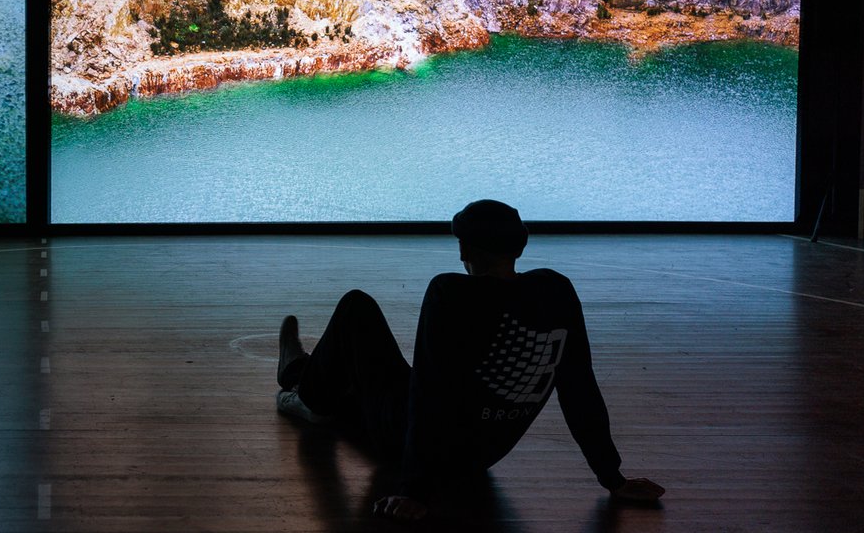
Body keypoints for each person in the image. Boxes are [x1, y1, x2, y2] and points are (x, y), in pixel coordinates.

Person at [274, 199, 665, 521]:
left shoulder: (451, 293)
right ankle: (301, 371)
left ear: (464, 249)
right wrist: (612, 477)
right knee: (363, 388)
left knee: (356, 309)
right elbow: (580, 389)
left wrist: (414, 491)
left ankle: (307, 397)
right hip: (480, 455)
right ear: (519, 248)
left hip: (408, 442)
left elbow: (428, 393)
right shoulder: (556, 292)